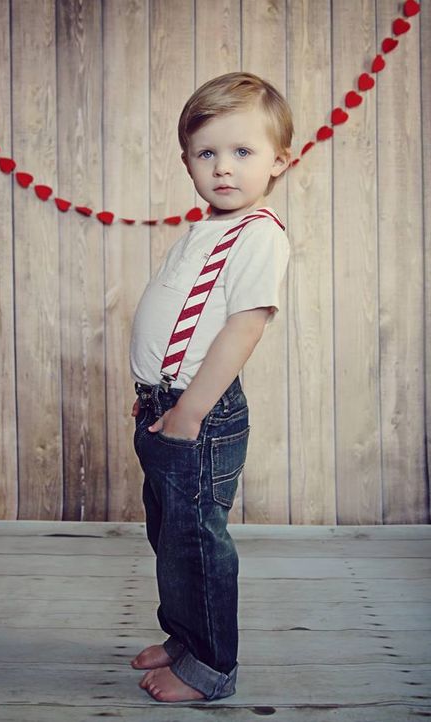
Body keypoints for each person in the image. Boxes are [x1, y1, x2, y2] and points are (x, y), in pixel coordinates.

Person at [128, 71, 293, 703]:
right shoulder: (206, 230)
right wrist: (153, 388)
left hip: (201, 412)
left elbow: (243, 329)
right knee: (168, 533)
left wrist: (190, 410)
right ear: (188, 162)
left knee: (196, 539)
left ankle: (211, 668)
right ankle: (185, 638)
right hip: (165, 404)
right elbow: (178, 317)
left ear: (280, 159)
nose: (224, 168)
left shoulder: (257, 235)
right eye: (207, 153)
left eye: (243, 152)